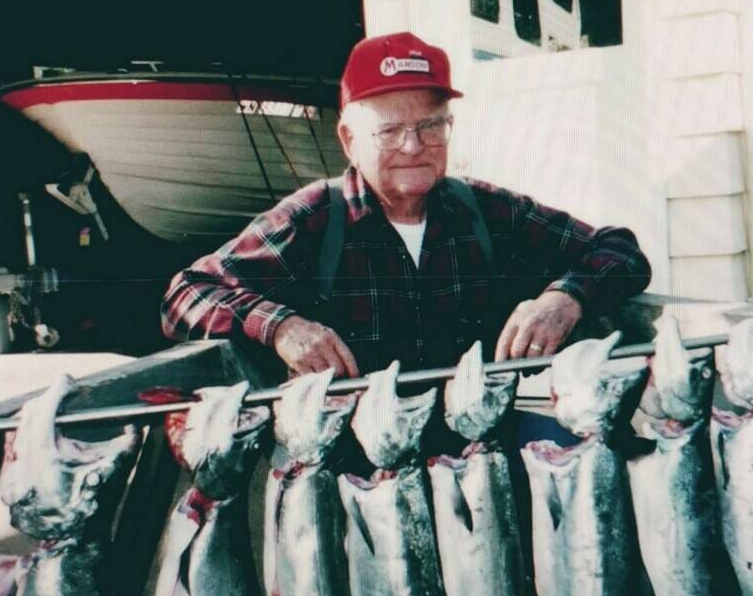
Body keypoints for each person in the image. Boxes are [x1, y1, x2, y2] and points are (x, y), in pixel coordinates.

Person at [161, 31, 652, 381]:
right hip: (359, 469)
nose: (414, 146)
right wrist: (282, 327)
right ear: (349, 139)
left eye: (430, 125)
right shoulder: (310, 219)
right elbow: (183, 295)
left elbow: (620, 251)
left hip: (477, 453)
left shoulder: (488, 211)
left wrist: (564, 300)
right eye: (390, 130)